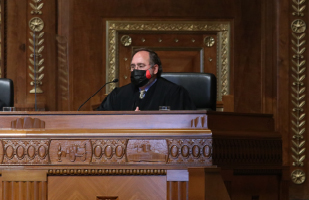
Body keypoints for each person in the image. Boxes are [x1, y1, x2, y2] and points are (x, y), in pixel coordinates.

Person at [97, 48, 196, 111]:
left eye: (141, 66)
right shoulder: (119, 95)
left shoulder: (175, 93)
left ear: (155, 69)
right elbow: (100, 119)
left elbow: (184, 124)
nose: (136, 70)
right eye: (133, 66)